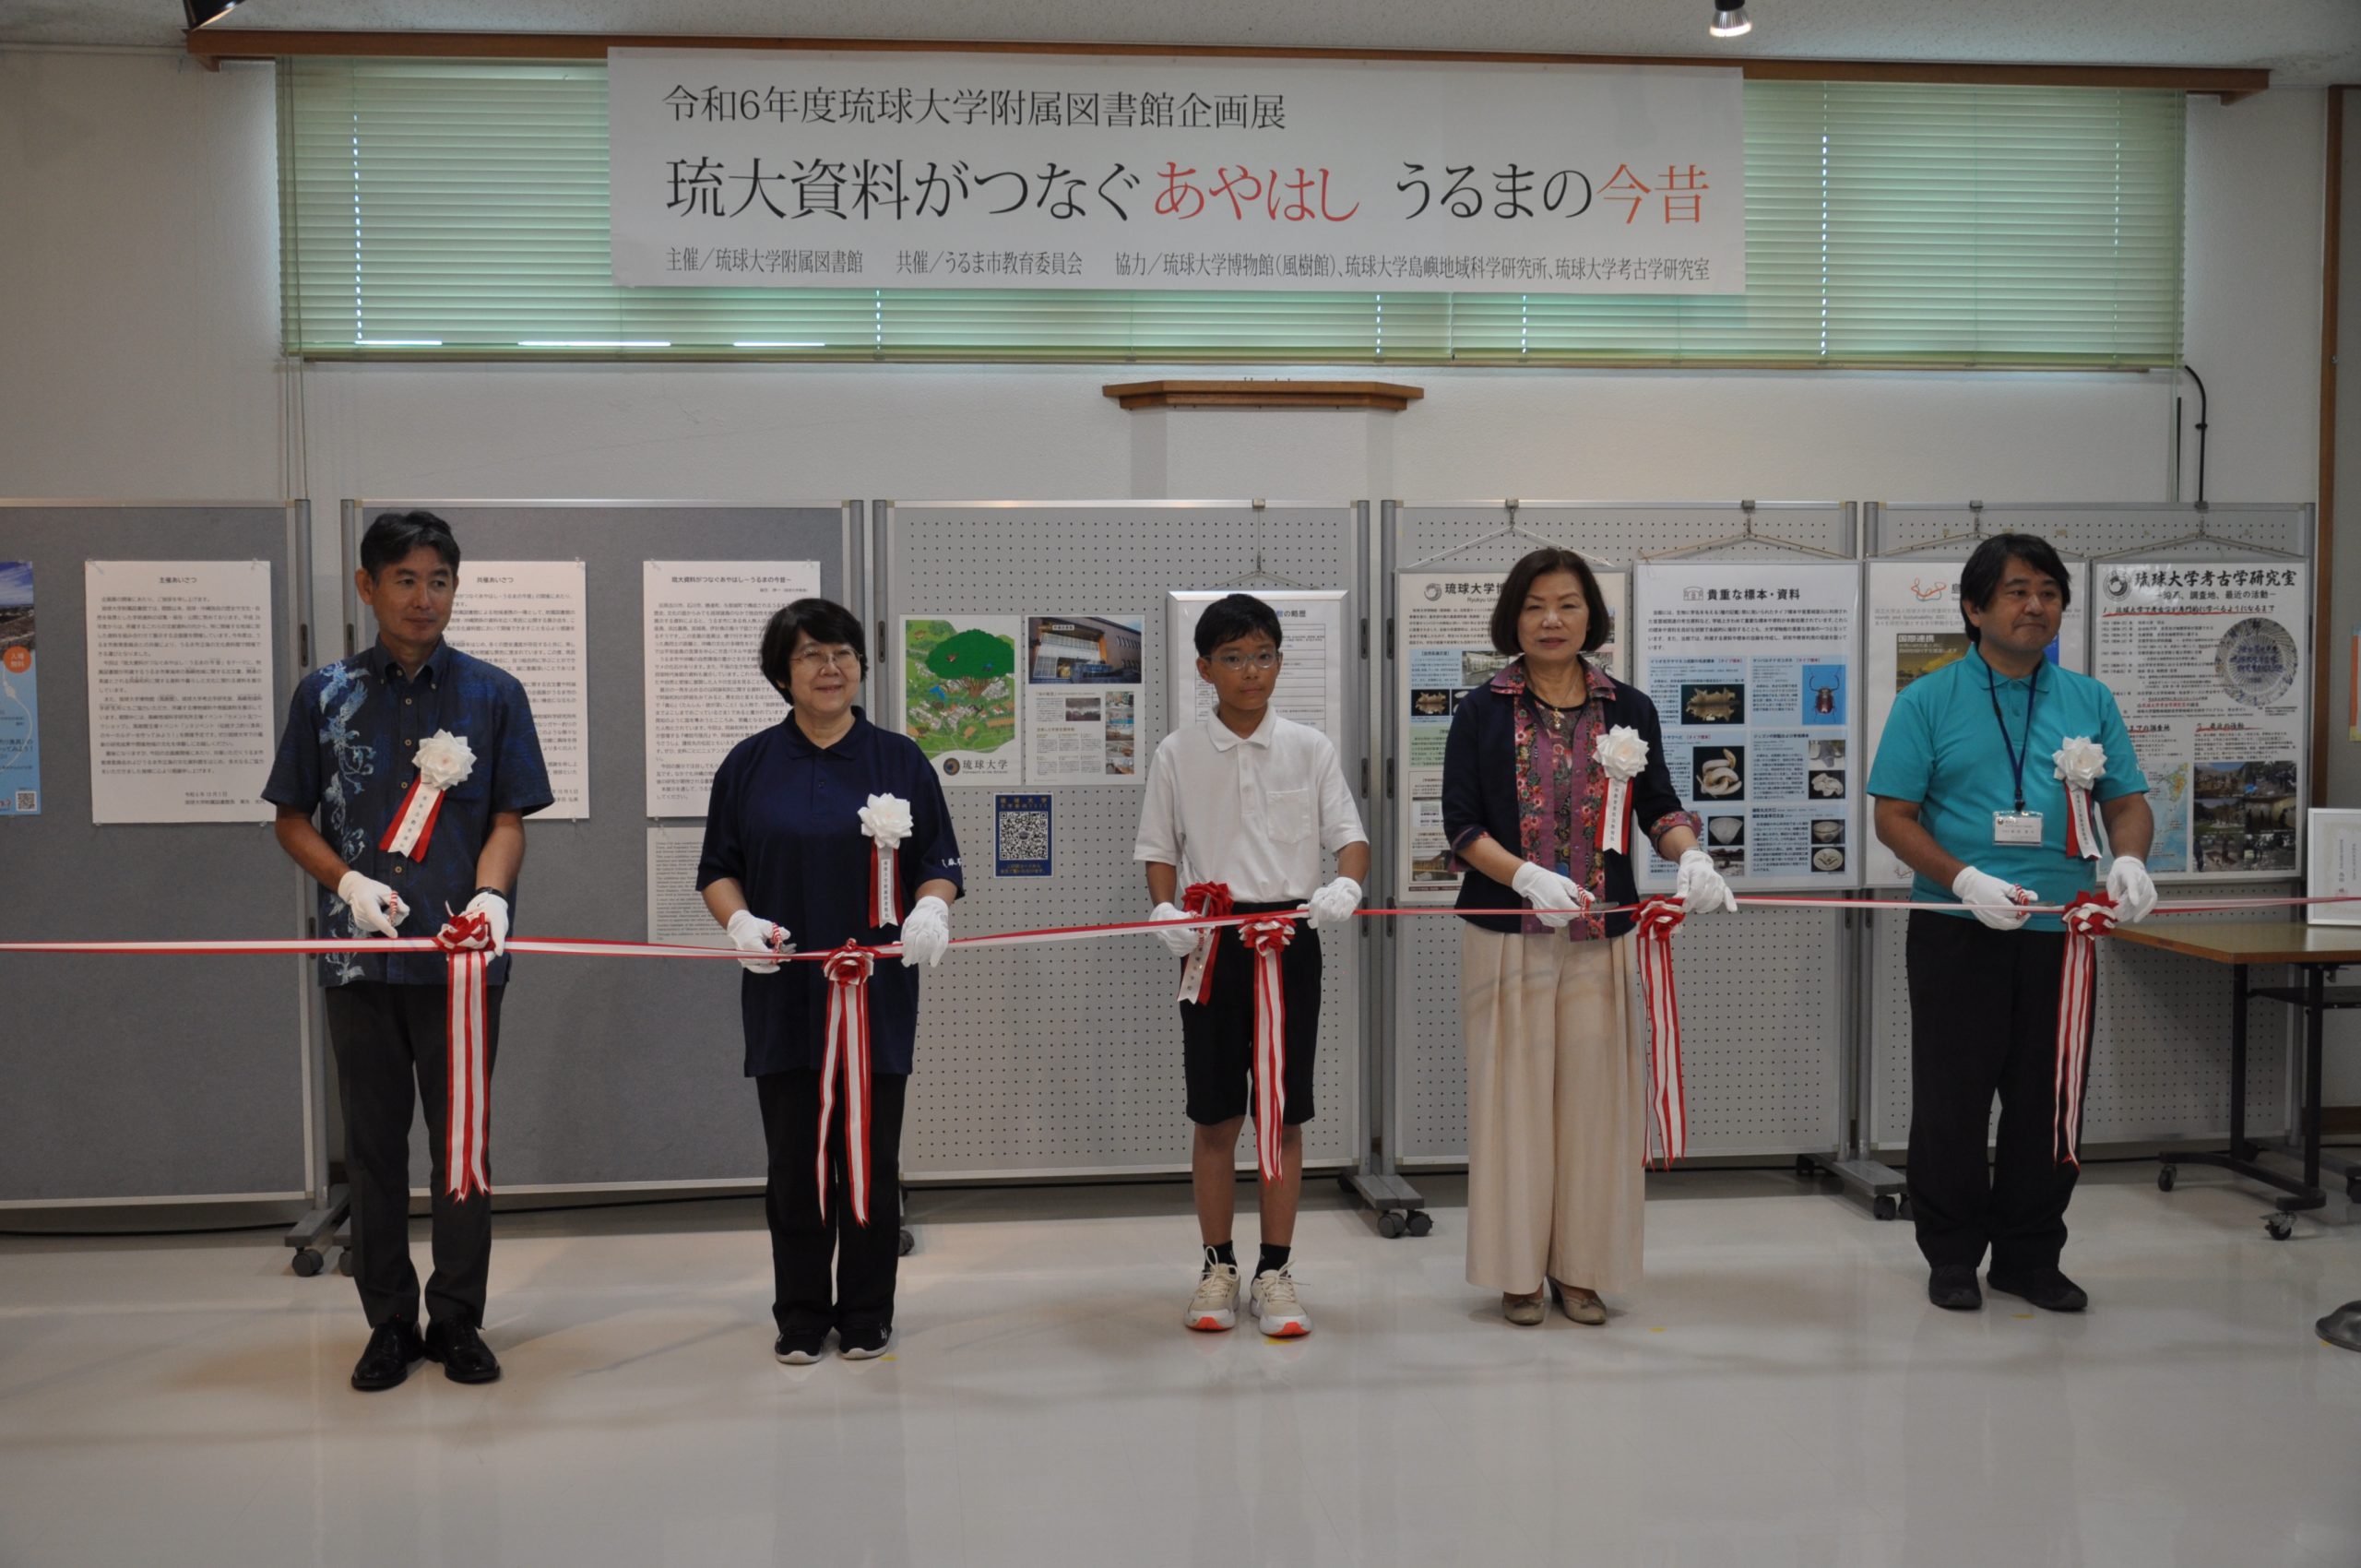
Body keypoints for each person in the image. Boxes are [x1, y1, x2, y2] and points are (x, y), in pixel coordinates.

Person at [264, 510, 553, 1391]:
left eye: (439, 581)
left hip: (463, 963)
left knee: (463, 1145)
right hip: (358, 960)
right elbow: (291, 818)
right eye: (404, 579)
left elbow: (508, 820)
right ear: (367, 586)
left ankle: (458, 1317)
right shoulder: (324, 694)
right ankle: (388, 1322)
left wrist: (493, 897)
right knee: (374, 1148)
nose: (423, 598)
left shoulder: (494, 694)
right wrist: (346, 881)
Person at [1442, 547, 1732, 1326]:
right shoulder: (1480, 710)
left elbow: (1659, 806)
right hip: (1508, 931)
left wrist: (1692, 854)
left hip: (1603, 934)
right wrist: (1526, 877)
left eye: (1568, 604)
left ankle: (1583, 1268)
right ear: (1513, 617)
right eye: (1535, 605)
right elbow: (1460, 826)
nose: (1552, 620)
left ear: (1591, 617)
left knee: (1596, 1104)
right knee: (1514, 1104)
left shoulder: (1628, 707)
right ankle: (1516, 1272)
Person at [1869, 532, 2155, 1313]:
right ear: (1974, 608)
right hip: (1957, 929)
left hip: (2063, 934)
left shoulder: (2089, 700)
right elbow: (1893, 817)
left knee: (2048, 1100)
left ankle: (2030, 1256)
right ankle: (1953, 1255)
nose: (2036, 606)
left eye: (2050, 593)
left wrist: (2131, 860)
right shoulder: (1928, 699)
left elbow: (2127, 802)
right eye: (2018, 591)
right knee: (1953, 1100)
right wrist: (1963, 879)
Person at [698, 598, 961, 1364]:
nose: (830, 667)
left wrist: (932, 909)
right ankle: (802, 1314)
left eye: (842, 652)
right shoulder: (749, 764)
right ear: (783, 672)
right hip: (784, 993)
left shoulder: (899, 761)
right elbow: (717, 870)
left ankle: (869, 1310)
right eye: (811, 653)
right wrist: (738, 923)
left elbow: (940, 862)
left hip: (877, 996)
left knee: (870, 1158)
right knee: (795, 1161)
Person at [1136, 592, 1369, 1338]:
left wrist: (1345, 885)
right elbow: (1159, 849)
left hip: (1290, 940)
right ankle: (1217, 1265)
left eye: (1263, 655)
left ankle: (1275, 1270)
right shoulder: (1177, 752)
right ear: (1204, 668)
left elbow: (1350, 837)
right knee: (1215, 1114)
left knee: (1282, 1110)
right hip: (1211, 944)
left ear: (1279, 661)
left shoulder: (1309, 746)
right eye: (1233, 658)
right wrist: (1165, 910)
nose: (1250, 671)